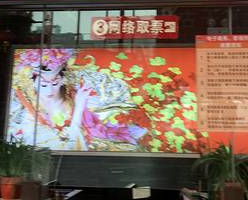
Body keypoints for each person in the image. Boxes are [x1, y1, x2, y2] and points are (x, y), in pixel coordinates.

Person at [8, 49, 146, 151]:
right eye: (43, 85)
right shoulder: (27, 111)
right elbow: (69, 147)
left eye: (55, 83)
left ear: (62, 80)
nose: (50, 90)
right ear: (33, 83)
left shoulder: (74, 94)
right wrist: (79, 108)